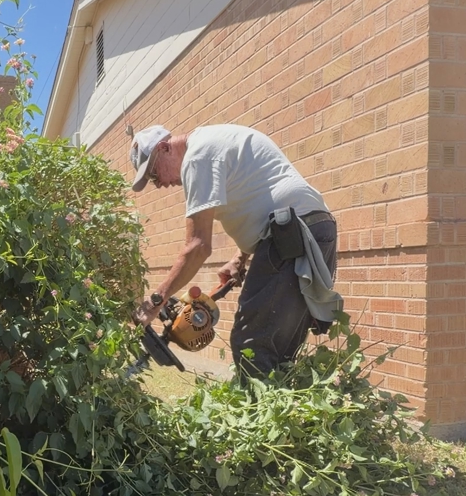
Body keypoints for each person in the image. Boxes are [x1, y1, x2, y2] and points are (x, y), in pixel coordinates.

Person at [130, 123, 343, 381]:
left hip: (293, 235)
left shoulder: (197, 158)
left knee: (253, 345)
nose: (160, 184)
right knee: (279, 350)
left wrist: (156, 301)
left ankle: (257, 415)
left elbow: (198, 246)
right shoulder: (212, 141)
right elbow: (258, 195)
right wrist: (240, 258)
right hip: (310, 228)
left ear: (164, 148)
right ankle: (286, 414)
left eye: (154, 175)